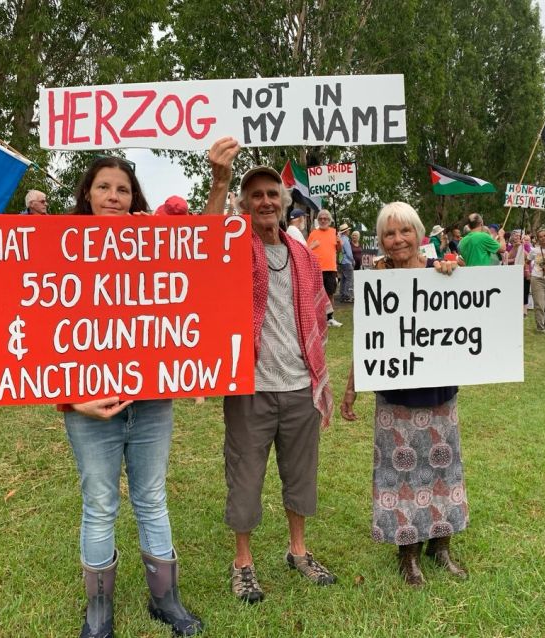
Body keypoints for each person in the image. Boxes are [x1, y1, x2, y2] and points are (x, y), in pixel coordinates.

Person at [63, 157, 202, 637]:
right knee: (99, 504)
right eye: (103, 187)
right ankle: (99, 612)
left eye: (123, 189)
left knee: (152, 498)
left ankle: (166, 600)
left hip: (151, 403)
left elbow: (197, 289)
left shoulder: (156, 246)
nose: (113, 197)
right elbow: (39, 342)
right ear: (87, 194)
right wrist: (69, 399)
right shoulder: (54, 251)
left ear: (134, 198)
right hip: (88, 408)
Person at [205, 138, 337, 604]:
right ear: (245, 203)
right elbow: (205, 240)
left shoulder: (301, 251)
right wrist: (221, 181)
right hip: (251, 386)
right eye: (255, 195)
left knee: (300, 473)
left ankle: (297, 550)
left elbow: (318, 311)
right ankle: (243, 562)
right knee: (245, 474)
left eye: (272, 194)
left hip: (301, 385)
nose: (265, 201)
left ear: (284, 203)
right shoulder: (233, 244)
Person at [340, 202, 467, 587]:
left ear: (418, 234)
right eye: (389, 234)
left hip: (438, 388)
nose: (397, 240)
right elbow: (368, 340)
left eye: (404, 231)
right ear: (380, 241)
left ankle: (440, 544)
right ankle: (407, 552)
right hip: (395, 391)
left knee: (443, 466)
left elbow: (470, 313)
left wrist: (453, 274)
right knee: (400, 471)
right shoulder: (375, 280)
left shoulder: (443, 274)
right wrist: (351, 388)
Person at [308, 210, 343, 326]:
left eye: (325, 218)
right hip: (316, 269)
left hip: (331, 268)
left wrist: (339, 242)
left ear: (329, 220)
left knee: (330, 293)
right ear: (318, 220)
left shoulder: (334, 232)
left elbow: (339, 250)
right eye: (321, 218)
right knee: (316, 294)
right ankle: (317, 318)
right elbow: (306, 249)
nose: (323, 220)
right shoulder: (313, 233)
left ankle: (330, 318)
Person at [338, 222, 354, 302]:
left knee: (344, 279)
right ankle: (347, 296)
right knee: (349, 279)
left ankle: (343, 295)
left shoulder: (340, 239)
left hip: (342, 262)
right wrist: (352, 260)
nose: (349, 231)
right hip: (347, 262)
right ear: (345, 232)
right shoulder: (346, 241)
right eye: (348, 230)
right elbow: (349, 254)